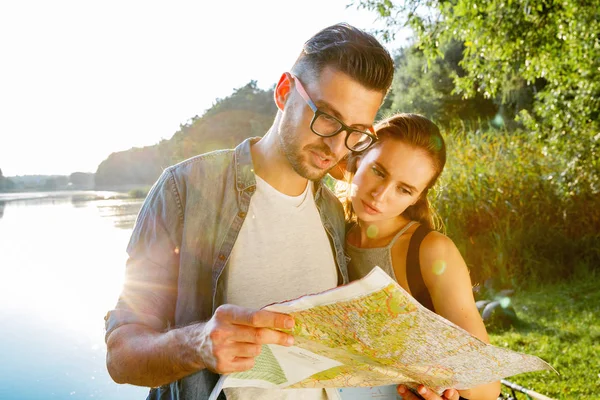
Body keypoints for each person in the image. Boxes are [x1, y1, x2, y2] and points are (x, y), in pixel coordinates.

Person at [104, 23, 395, 400]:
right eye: (326, 117)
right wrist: (197, 345)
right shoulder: (186, 190)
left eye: (356, 131)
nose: (337, 147)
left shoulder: (334, 212)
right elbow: (121, 356)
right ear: (284, 91)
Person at [340, 113, 501, 400]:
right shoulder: (332, 228)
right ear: (357, 158)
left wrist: (435, 385)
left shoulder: (430, 250)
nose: (380, 195)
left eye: (404, 189)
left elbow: (486, 386)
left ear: (417, 197)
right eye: (378, 171)